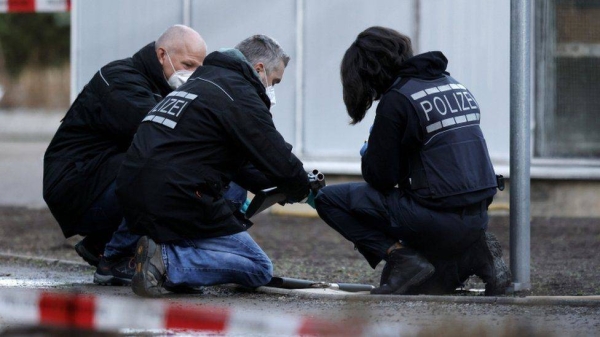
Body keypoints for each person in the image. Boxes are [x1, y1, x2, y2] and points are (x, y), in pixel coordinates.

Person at [314, 26, 511, 296]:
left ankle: (401, 256)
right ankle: (477, 253)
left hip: (436, 219)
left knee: (329, 200)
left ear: (370, 70)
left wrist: (370, 147)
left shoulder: (397, 99)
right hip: (477, 218)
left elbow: (380, 178)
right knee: (414, 287)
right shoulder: (452, 84)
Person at [115, 35, 314, 297]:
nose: (272, 89)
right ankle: (167, 262)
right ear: (259, 70)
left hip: (136, 195)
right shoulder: (238, 93)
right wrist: (302, 188)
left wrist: (282, 188)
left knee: (216, 248)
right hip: (179, 197)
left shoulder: (200, 84)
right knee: (257, 269)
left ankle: (147, 259)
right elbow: (278, 158)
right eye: (274, 82)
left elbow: (241, 165)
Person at [43, 25, 208, 285]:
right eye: (188, 64)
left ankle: (101, 245)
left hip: (101, 176)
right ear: (162, 55)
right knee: (160, 171)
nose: (193, 74)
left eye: (199, 68)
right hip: (76, 184)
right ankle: (114, 259)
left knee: (175, 171)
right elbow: (160, 136)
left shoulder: (164, 87)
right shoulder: (121, 80)